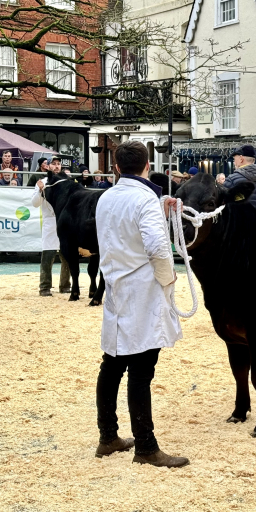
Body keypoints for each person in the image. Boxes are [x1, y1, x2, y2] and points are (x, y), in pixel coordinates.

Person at [94, 140, 188, 468]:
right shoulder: (145, 200)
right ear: (147, 164)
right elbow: (158, 249)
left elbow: (121, 230)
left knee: (113, 363)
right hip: (142, 291)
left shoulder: (106, 197)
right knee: (141, 369)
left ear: (117, 167)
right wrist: (168, 279)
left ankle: (108, 436)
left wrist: (159, 208)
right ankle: (146, 447)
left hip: (116, 286)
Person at [32, 156, 71, 297]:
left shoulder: (67, 181)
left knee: (66, 254)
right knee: (48, 255)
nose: (56, 166)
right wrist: (40, 191)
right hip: (50, 221)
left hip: (65, 221)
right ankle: (45, 287)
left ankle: (65, 285)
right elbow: (35, 203)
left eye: (58, 164)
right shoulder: (42, 182)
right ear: (47, 166)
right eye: (53, 164)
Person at [223, 145, 256, 212]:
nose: (234, 162)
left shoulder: (231, 180)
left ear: (241, 159)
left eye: (234, 159)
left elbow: (223, 208)